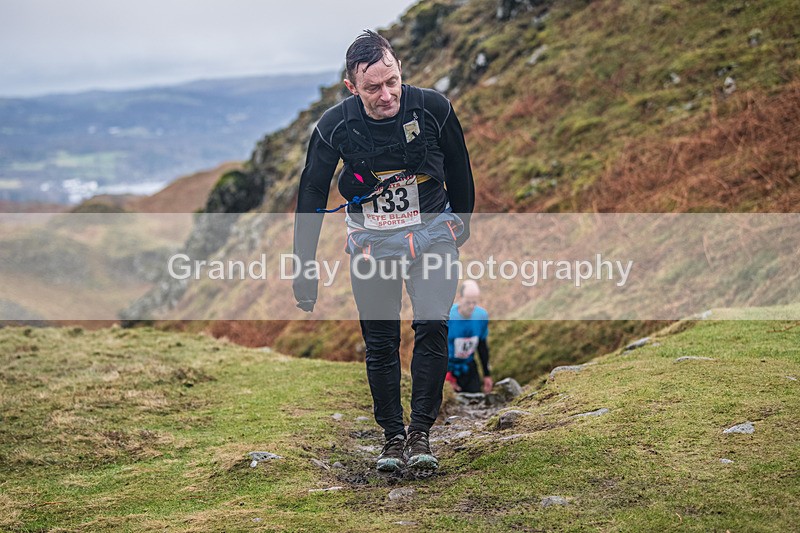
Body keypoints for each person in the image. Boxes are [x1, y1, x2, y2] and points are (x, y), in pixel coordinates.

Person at [292, 30, 475, 474]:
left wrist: (462, 225)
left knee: (432, 326)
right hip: (373, 245)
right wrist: (304, 267)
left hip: (432, 237)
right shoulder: (335, 125)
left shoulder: (432, 108)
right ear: (352, 87)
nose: (387, 94)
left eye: (392, 81)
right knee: (381, 341)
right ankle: (392, 437)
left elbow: (459, 166)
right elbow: (313, 190)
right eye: (373, 88)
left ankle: (421, 434)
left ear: (398, 70)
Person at [446, 280, 493, 394]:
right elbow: (437, 347)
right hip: (448, 368)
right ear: (459, 297)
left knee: (476, 401)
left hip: (469, 367)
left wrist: (487, 375)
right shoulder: (447, 316)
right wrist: (446, 375)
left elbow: (482, 346)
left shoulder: (481, 316)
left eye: (474, 302)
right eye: (468, 302)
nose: (471, 306)